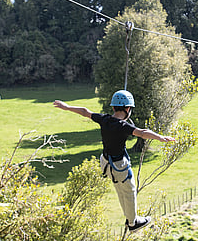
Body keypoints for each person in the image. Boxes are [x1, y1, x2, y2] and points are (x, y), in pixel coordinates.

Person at [53, 90, 175, 233]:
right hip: (119, 166)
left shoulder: (104, 119)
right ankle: (132, 222)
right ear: (128, 109)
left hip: (106, 163)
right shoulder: (123, 126)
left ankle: (129, 217)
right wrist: (160, 137)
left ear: (113, 108)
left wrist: (66, 107)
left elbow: (85, 112)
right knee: (129, 191)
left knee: (120, 190)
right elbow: (142, 133)